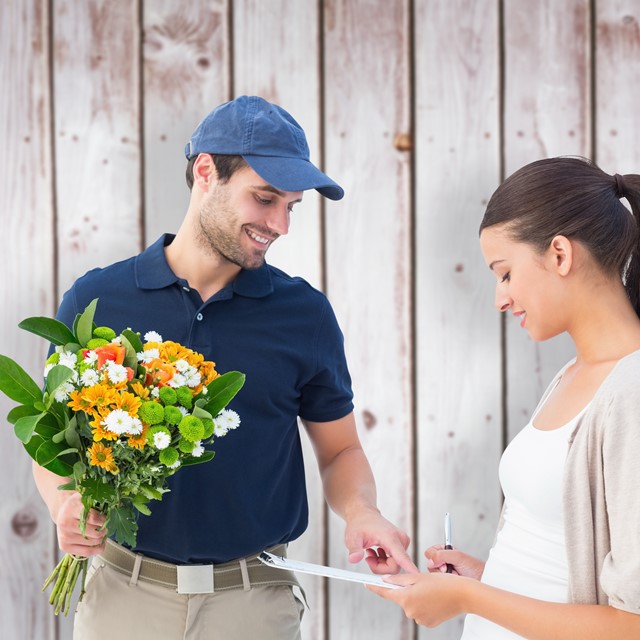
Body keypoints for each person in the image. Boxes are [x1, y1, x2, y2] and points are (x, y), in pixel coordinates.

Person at [33, 95, 418, 639]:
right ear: (206, 171)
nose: (280, 224)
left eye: (291, 206)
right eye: (265, 199)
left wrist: (363, 514)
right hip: (122, 597)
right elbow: (50, 441)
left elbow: (340, 449)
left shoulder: (303, 314)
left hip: (255, 604)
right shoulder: (97, 299)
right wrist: (62, 500)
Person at [367, 156, 640, 638]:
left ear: (559, 254)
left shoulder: (631, 391)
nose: (500, 298)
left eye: (505, 273)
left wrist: (471, 598)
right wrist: (487, 579)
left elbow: (631, 623)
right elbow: (556, 563)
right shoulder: (572, 375)